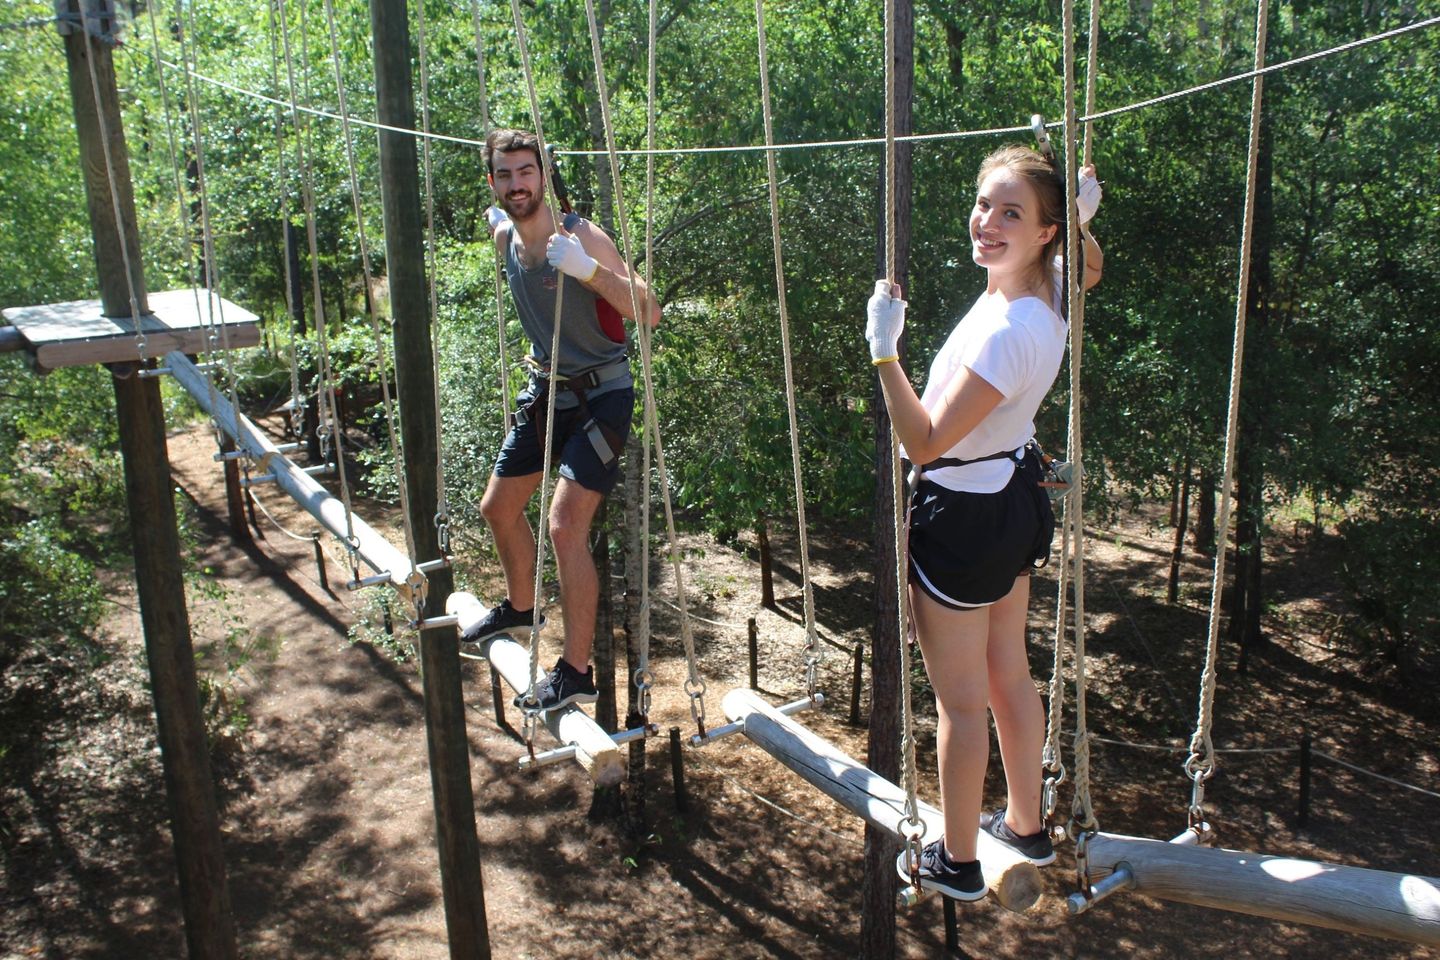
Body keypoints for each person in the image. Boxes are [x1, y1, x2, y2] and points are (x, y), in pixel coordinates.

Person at [867, 144, 1103, 900]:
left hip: (965, 517)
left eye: (1011, 214)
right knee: (1008, 673)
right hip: (1010, 499)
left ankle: (959, 859)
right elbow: (1089, 267)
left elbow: (925, 441)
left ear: (1043, 233)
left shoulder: (1011, 333)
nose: (987, 223)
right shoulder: (1049, 291)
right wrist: (1077, 223)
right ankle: (1025, 825)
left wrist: (884, 352)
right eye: (983, 205)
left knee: (961, 703)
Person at [467, 128, 661, 712]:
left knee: (564, 527)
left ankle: (575, 672)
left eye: (526, 172)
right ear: (493, 182)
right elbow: (498, 223)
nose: (516, 185)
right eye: (505, 175)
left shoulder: (581, 236)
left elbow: (649, 310)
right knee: (497, 508)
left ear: (543, 177)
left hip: (602, 396)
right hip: (549, 393)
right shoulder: (506, 236)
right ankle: (521, 608)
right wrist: (498, 220)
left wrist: (587, 270)